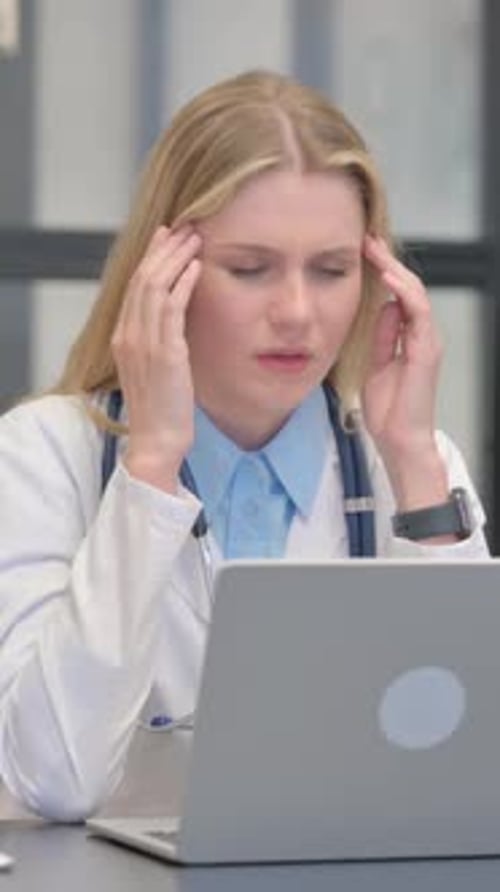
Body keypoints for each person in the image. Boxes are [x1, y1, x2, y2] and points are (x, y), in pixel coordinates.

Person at [0, 69, 489, 822]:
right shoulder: (44, 456)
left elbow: (474, 766)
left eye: (331, 271)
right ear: (163, 276)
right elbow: (53, 778)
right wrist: (152, 466)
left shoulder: (408, 467)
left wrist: (417, 462)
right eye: (250, 269)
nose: (297, 312)